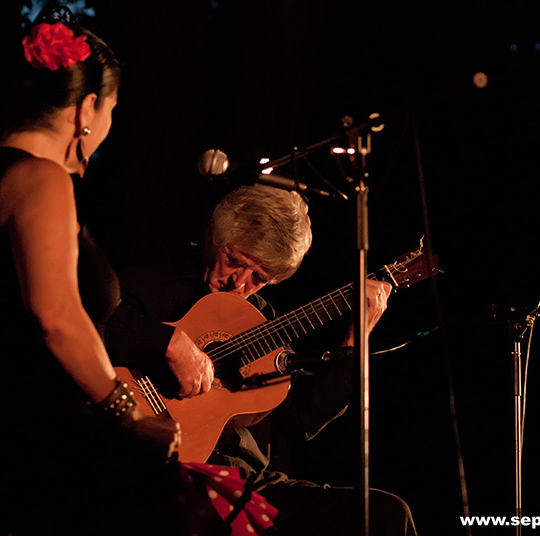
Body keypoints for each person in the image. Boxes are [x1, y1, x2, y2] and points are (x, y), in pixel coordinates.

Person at [0, 9, 275, 535]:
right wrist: (129, 417)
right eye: (113, 109)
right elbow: (57, 314)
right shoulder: (41, 178)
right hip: (30, 453)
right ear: (88, 108)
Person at [104, 184, 419, 535]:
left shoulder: (265, 325)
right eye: (236, 262)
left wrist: (354, 338)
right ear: (214, 234)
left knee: (386, 514)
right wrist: (170, 343)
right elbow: (91, 321)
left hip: (244, 479)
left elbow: (303, 418)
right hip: (156, 467)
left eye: (260, 278)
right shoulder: (157, 282)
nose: (239, 284)